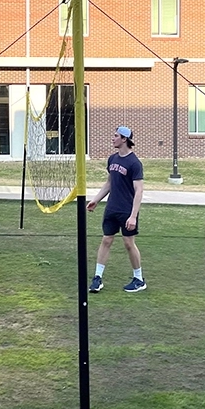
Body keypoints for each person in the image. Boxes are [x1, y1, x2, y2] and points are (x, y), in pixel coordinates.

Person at [87, 125, 146, 293]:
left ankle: (139, 279)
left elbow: (139, 190)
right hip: (112, 208)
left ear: (124, 139)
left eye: (115, 136)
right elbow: (109, 183)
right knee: (106, 240)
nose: (113, 138)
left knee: (129, 243)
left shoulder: (134, 163)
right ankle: (97, 278)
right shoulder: (112, 159)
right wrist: (96, 200)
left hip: (127, 211)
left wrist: (133, 216)